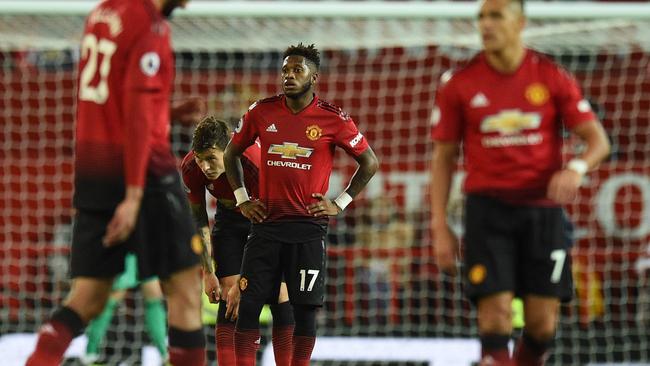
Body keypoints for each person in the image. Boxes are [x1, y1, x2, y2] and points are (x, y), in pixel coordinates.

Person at [26, 0, 209, 365]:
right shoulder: (150, 25)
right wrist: (134, 195)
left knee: (88, 297)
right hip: (145, 174)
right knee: (186, 287)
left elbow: (116, 98)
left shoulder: (103, 12)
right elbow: (139, 114)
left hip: (95, 171)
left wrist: (166, 113)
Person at [430, 0, 611, 365]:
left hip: (542, 213)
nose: (486, 24)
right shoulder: (459, 83)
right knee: (494, 315)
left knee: (542, 326)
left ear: (521, 23)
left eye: (496, 15)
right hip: (487, 212)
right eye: (481, 17)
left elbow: (598, 142)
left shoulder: (551, 76)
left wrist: (575, 168)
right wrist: (439, 225)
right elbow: (443, 158)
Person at [224, 43, 379, 366]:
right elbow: (231, 154)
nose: (289, 76)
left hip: (308, 229)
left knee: (304, 310)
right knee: (249, 306)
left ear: (314, 78)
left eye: (297, 71)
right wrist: (242, 200)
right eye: (285, 71)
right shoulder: (261, 111)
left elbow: (369, 162)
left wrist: (340, 203)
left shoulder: (333, 119)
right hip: (265, 226)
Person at [181, 116, 295, 365]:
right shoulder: (191, 168)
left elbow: (269, 226)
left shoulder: (253, 163)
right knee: (228, 294)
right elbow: (198, 221)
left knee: (279, 292)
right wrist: (207, 272)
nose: (205, 166)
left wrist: (245, 281)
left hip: (272, 220)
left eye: (211, 158)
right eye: (200, 158)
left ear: (228, 151)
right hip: (230, 220)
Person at [81, 254, 168, 365]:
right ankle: (90, 351)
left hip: (145, 246)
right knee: (115, 294)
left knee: (154, 296)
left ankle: (164, 353)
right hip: (127, 247)